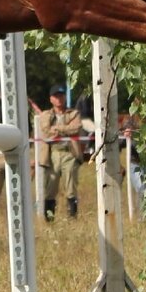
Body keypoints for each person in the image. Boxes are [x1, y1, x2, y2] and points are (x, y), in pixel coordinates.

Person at [36, 85, 83, 221]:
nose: (59, 99)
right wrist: (65, 129)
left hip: (70, 153)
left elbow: (76, 128)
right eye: (56, 96)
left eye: (61, 96)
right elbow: (46, 131)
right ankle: (49, 220)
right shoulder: (46, 115)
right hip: (52, 154)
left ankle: (72, 219)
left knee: (71, 188)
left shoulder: (74, 113)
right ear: (51, 99)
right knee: (50, 188)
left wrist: (57, 128)